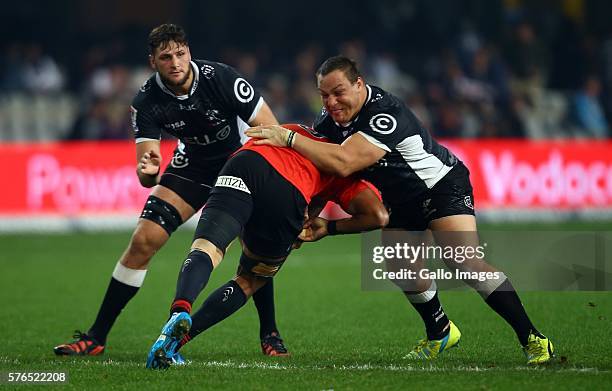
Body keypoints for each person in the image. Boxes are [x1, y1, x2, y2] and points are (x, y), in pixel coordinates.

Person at [245, 55, 554, 365]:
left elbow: (345, 161)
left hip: (440, 185)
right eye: (324, 94)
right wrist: (310, 217)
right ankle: (440, 331)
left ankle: (533, 338)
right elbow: (330, 172)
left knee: (463, 262)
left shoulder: (384, 113)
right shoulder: (329, 121)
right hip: (401, 199)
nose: (332, 102)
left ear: (359, 84)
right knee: (400, 266)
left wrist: (288, 138)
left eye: (338, 92)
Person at [53, 23, 288, 357]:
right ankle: (96, 337)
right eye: (166, 57)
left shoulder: (222, 79)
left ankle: (270, 334)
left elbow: (270, 127)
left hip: (238, 164)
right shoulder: (146, 101)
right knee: (142, 240)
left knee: (255, 247)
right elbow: (147, 170)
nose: (175, 62)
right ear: (153, 61)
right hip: (191, 167)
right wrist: (148, 171)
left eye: (180, 54)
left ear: (189, 52)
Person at [145, 124, 388, 369]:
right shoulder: (342, 165)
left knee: (206, 248)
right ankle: (174, 343)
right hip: (286, 186)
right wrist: (329, 228)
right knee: (250, 279)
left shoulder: (298, 130)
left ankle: (179, 309)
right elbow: (377, 216)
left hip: (243, 162)